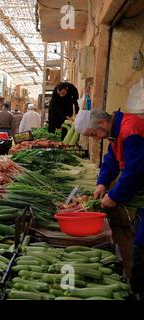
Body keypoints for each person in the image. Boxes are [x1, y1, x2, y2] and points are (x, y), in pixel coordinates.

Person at [74, 108, 144, 299]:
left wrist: (114, 196)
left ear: (102, 124)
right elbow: (111, 160)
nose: (95, 139)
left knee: (141, 244)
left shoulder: (131, 130)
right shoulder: (116, 131)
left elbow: (134, 172)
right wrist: (102, 183)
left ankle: (137, 290)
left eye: (93, 134)